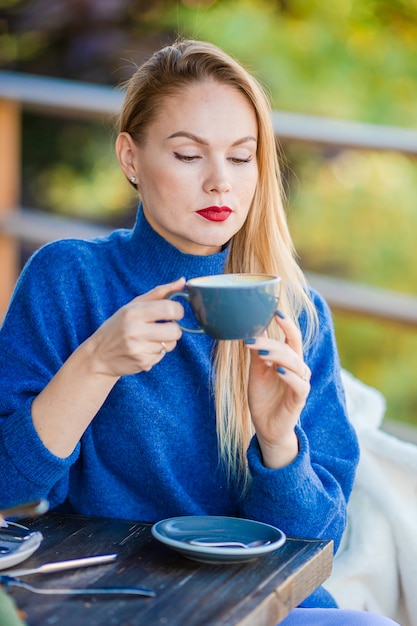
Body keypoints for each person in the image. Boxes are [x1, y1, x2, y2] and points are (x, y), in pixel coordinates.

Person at [0, 39, 399, 625]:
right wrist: (97, 363)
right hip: (106, 595)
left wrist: (277, 442)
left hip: (258, 607)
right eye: (189, 156)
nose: (220, 184)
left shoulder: (295, 310)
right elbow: (10, 492)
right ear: (130, 158)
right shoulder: (70, 279)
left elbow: (314, 546)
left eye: (241, 157)